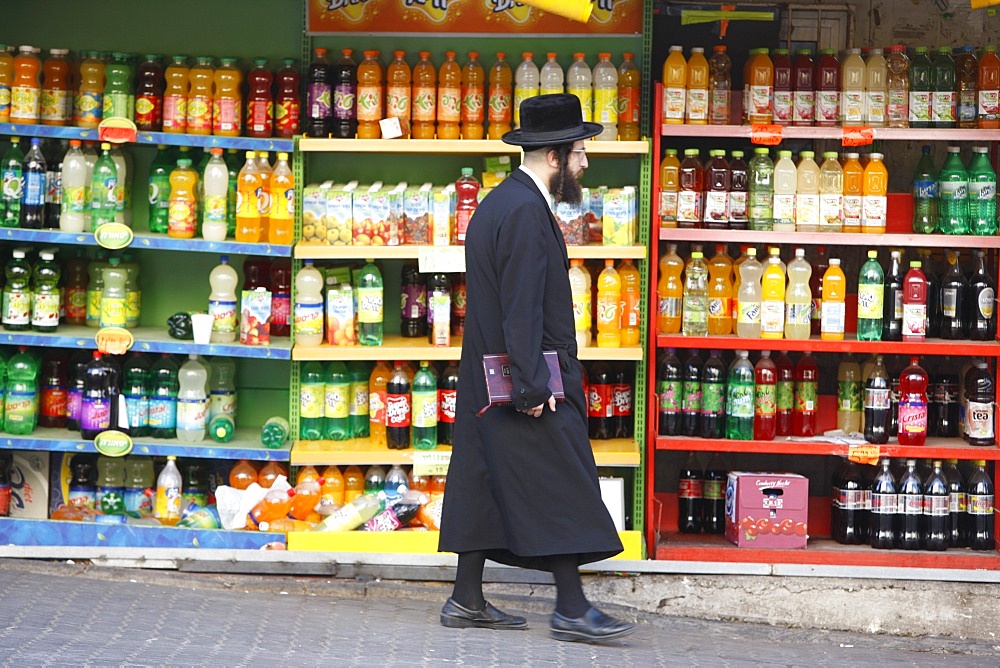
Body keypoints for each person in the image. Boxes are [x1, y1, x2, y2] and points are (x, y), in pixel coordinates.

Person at [437, 94, 636, 644]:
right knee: (562, 481)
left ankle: (466, 598)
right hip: (525, 374)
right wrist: (531, 385)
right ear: (553, 155)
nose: (585, 164)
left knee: (481, 477)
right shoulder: (526, 212)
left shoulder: (500, 203)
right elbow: (521, 305)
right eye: (579, 153)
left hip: (486, 372)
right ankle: (571, 607)